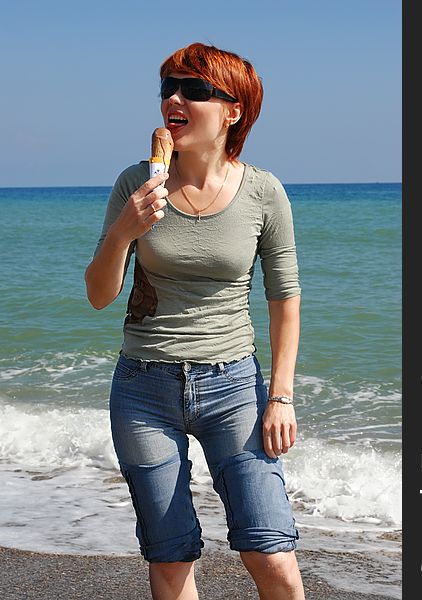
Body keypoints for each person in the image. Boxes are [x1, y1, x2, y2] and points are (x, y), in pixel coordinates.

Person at [85, 42, 304, 600]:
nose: (174, 100)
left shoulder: (264, 191)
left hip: (234, 387)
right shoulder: (136, 182)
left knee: (269, 550)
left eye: (194, 90)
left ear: (233, 111)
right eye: (168, 89)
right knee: (171, 555)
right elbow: (99, 295)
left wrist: (280, 395)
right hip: (144, 387)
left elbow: (284, 298)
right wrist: (123, 233)